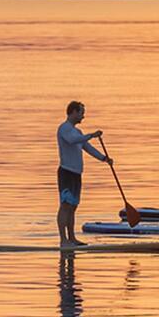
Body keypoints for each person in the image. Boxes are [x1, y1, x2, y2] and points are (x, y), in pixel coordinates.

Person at [56, 100, 109, 247]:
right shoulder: (64, 128)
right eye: (81, 113)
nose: (83, 117)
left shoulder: (78, 132)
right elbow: (73, 141)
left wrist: (104, 158)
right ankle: (63, 240)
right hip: (66, 172)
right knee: (65, 205)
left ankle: (72, 238)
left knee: (73, 206)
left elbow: (88, 148)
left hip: (76, 174)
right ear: (73, 112)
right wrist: (91, 135)